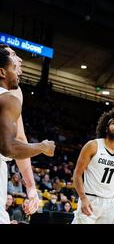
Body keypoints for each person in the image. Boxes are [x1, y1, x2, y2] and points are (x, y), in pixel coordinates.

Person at [0, 47, 55, 224]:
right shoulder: (10, 97)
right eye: (13, 55)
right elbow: (11, 146)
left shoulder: (12, 94)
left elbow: (20, 138)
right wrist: (42, 146)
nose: (20, 60)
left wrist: (31, 186)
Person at [72, 108, 114, 224]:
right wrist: (83, 198)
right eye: (113, 123)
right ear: (106, 128)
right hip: (90, 199)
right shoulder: (93, 146)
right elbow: (77, 173)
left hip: (110, 203)